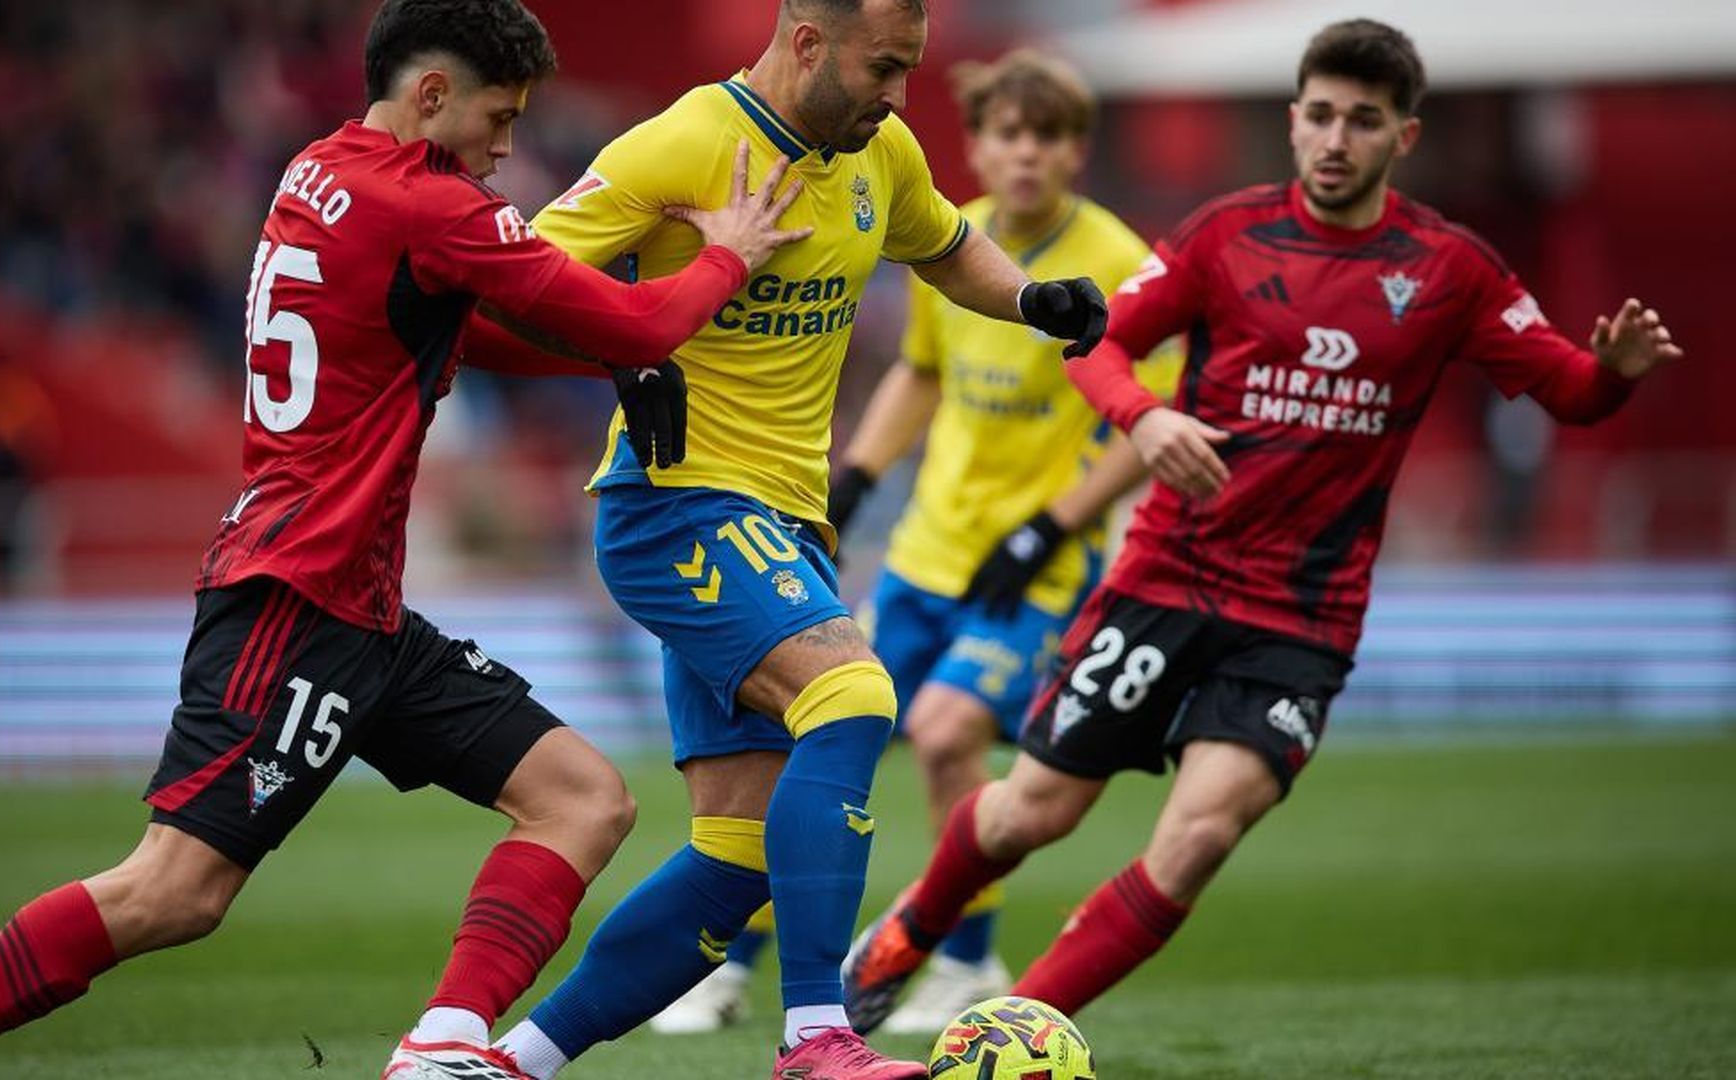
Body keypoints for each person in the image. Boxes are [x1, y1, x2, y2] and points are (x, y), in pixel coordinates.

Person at [0, 2, 811, 1079]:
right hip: (294, 600)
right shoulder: (436, 207)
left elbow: (463, 338)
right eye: (499, 115)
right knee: (174, 891)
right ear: (432, 95)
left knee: (581, 797)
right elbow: (637, 322)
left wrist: (605, 359)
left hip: (364, 608)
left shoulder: (318, 171)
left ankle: (443, 1041)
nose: (508, 147)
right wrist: (725, 258)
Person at [842, 17, 1682, 1031]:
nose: (1336, 139)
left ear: (1400, 138)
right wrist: (1145, 420)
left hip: (1301, 618)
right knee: (1035, 810)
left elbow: (1573, 392)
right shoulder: (1222, 236)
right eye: (1320, 116)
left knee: (1197, 838)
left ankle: (1012, 1026)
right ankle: (916, 926)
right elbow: (1100, 348)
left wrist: (1616, 376)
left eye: (1362, 122)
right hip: (1165, 579)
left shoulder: (1451, 271)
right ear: (1293, 123)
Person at [488, 2, 1111, 1077]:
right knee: (855, 694)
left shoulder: (883, 153)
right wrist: (629, 353)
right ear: (810, 44)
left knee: (736, 859)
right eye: (884, 68)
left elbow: (949, 249)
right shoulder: (682, 144)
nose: (900, 97)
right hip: (675, 504)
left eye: (911, 72)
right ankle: (817, 1037)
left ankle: (513, 1062)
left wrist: (1036, 299)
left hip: (783, 524)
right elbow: (516, 284)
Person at [649, 49, 1179, 1037]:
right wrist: (853, 479)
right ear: (975, 143)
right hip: (926, 556)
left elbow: (1152, 415)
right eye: (1006, 135)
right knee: (813, 741)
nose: (1025, 155)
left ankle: (964, 961)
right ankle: (724, 965)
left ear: (1077, 151)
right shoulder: (951, 235)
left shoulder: (1112, 260)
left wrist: (1051, 525)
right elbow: (923, 374)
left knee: (941, 733)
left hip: (1034, 571)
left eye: (1048, 136)